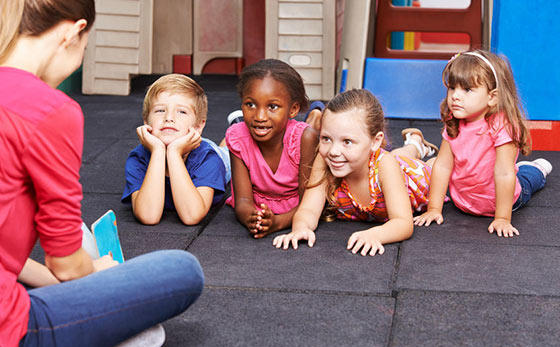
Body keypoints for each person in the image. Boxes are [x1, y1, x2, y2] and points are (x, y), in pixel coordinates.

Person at [0, 1, 203, 347]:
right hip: (11, 329)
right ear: (73, 32)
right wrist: (101, 273)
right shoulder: (50, 110)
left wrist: (53, 280)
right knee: (182, 271)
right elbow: (65, 264)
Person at [273, 89, 437, 256]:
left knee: (425, 166)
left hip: (412, 175)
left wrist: (375, 234)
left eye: (347, 141)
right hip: (376, 161)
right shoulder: (325, 160)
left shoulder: (386, 165)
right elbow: (308, 210)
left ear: (375, 141)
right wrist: (301, 228)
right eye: (326, 139)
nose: (334, 151)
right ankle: (413, 143)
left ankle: (415, 145)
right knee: (395, 156)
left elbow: (403, 223)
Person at [413, 50, 552, 237]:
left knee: (527, 179)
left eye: (467, 89)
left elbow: (503, 172)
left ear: (492, 97)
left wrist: (502, 218)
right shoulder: (455, 121)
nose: (455, 96)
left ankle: (536, 169)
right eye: (452, 88)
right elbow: (443, 165)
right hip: (463, 201)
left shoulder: (501, 126)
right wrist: (434, 208)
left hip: (502, 202)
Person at [226, 59, 319, 238]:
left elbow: (310, 204)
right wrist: (251, 219)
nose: (260, 116)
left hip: (295, 207)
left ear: (293, 109)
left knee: (319, 132)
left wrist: (277, 223)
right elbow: (243, 201)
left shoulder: (305, 139)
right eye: (250, 105)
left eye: (272, 107)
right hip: (260, 202)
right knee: (236, 133)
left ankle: (316, 114)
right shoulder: (237, 138)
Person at [122, 74, 229, 225]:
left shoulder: (209, 158)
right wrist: (159, 151)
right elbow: (148, 216)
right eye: (160, 110)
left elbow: (192, 216)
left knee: (230, 153)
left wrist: (173, 153)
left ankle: (235, 130)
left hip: (210, 151)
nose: (169, 117)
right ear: (146, 122)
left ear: (198, 126)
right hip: (182, 141)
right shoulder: (138, 158)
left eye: (182, 112)